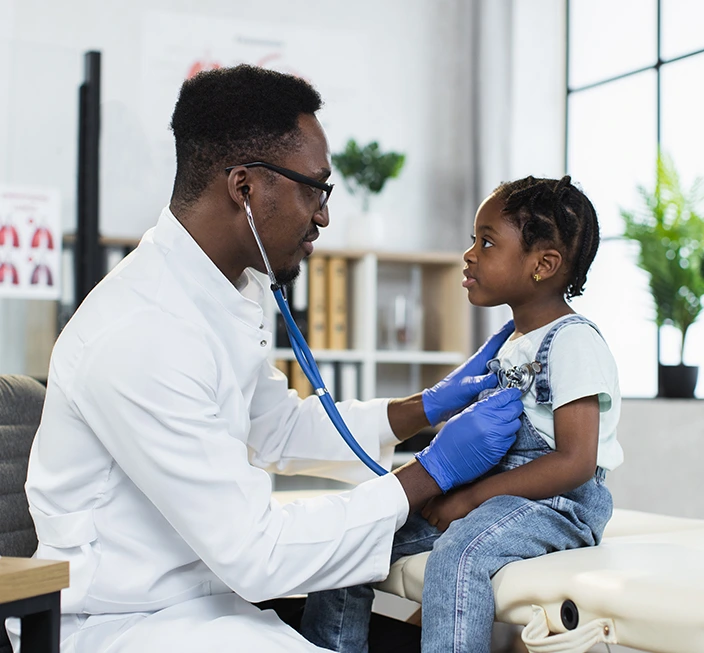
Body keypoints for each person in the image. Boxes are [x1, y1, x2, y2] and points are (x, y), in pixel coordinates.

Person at [9, 65, 525, 653]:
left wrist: (422, 408)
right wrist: (429, 473)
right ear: (246, 188)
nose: (324, 215)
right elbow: (257, 552)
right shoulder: (140, 332)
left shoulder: (230, 287)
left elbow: (276, 429)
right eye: (315, 187)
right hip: (121, 623)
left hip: (207, 605)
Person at [301, 175, 623, 653]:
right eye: (474, 239)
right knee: (356, 540)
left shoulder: (572, 340)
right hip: (492, 494)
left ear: (544, 265)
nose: (470, 254)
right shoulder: (511, 341)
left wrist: (471, 498)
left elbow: (575, 462)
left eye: (487, 242)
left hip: (555, 506)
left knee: (459, 556)